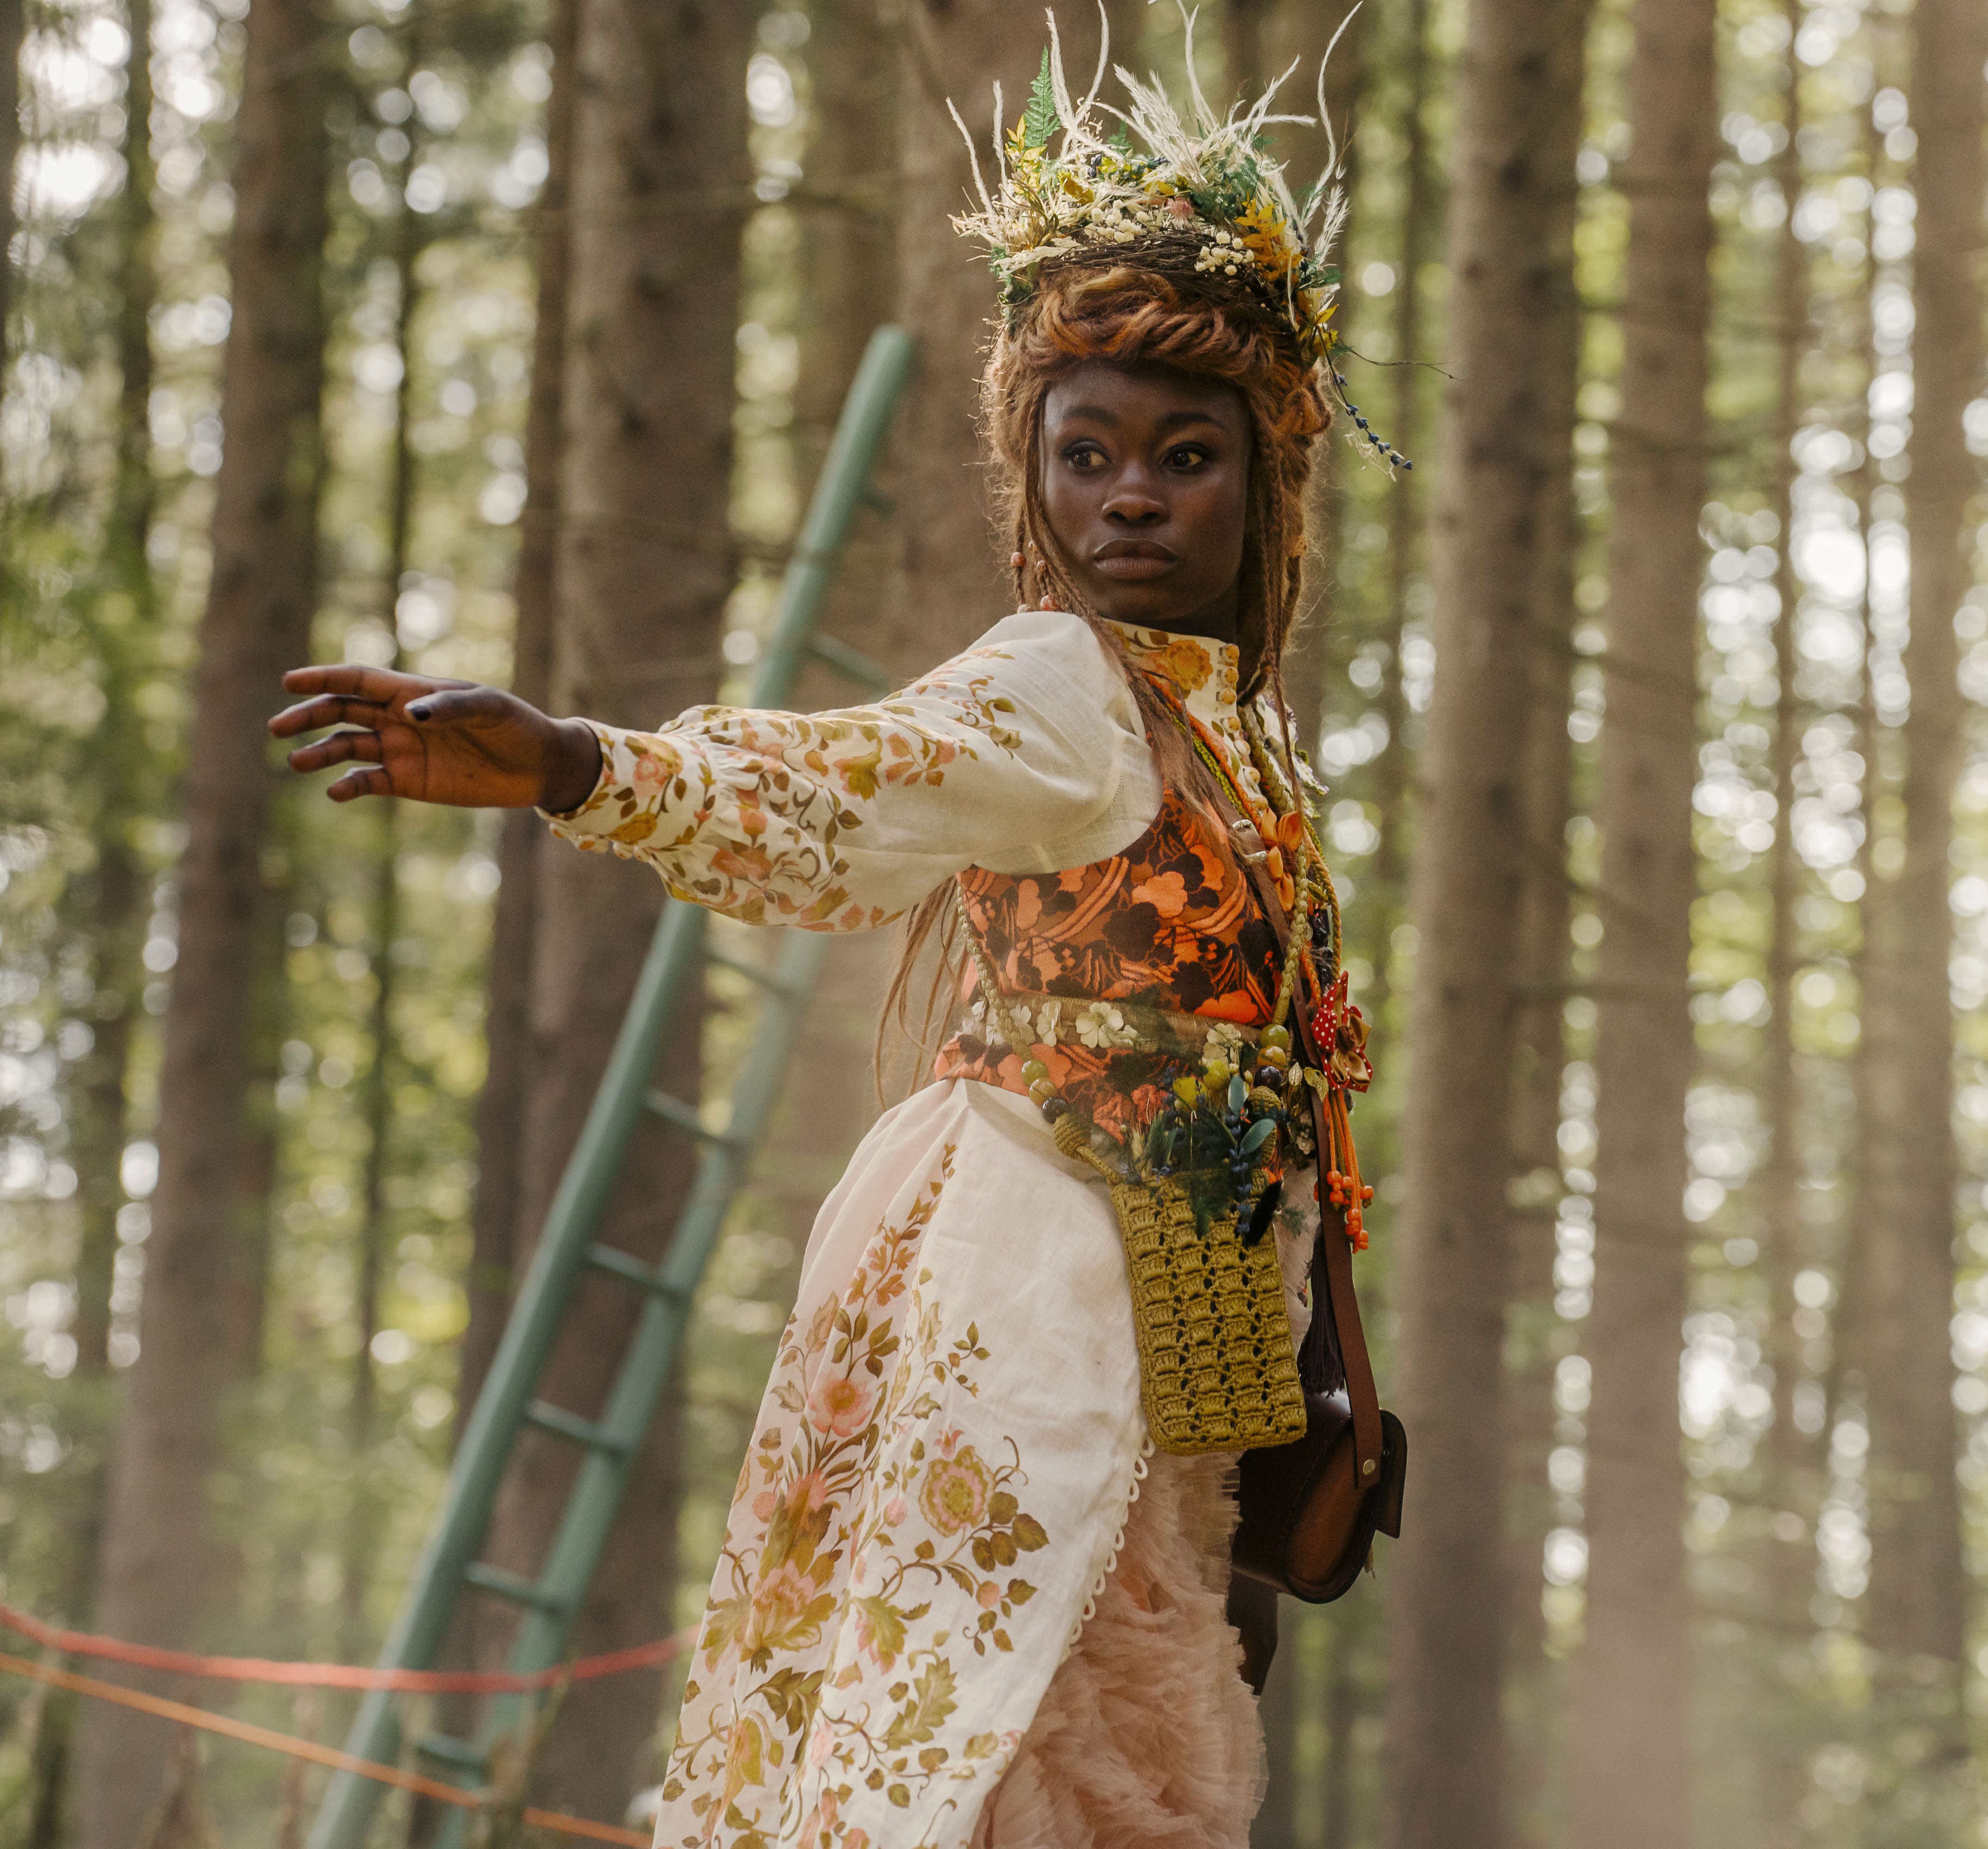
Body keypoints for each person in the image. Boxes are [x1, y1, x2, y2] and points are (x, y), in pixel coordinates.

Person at [270, 37, 1386, 1849]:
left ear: (1270, 489)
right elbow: (852, 782)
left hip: (1190, 1330)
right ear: (1030, 475)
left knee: (1125, 1731)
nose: (1128, 496)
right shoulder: (1058, 682)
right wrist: (578, 761)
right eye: (1084, 451)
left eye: (1186, 458)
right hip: (1022, 1285)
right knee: (970, 1734)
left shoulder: (1245, 741)